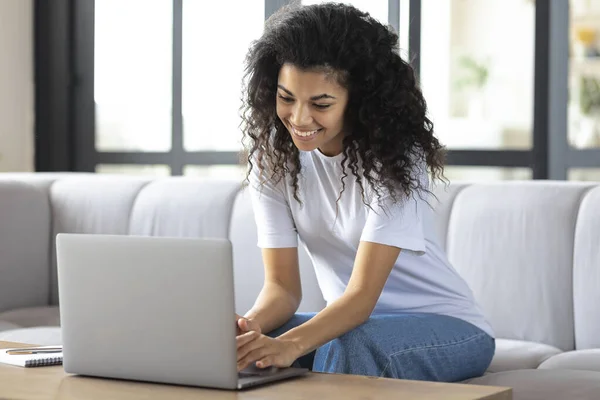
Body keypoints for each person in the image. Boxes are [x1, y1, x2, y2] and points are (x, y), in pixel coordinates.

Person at [235, 2, 495, 382]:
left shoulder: (396, 158)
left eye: (321, 103)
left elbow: (360, 299)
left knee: (347, 345)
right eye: (286, 97)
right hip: (354, 326)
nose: (300, 118)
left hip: (448, 327)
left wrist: (292, 346)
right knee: (247, 348)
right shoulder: (272, 160)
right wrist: (248, 330)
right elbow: (281, 289)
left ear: (358, 100)